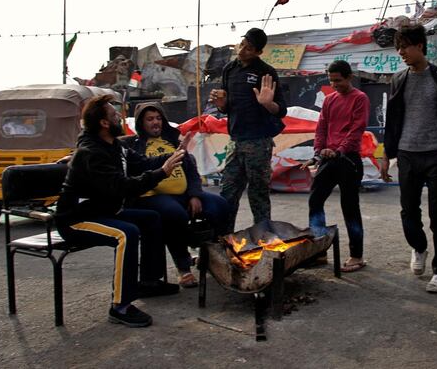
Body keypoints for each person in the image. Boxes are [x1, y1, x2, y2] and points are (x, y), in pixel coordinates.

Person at [55, 95, 182, 328]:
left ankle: (149, 282)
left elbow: (142, 163)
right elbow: (121, 187)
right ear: (104, 123)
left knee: (152, 219)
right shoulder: (91, 152)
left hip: (104, 212)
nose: (120, 118)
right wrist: (162, 172)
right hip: (78, 219)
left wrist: (177, 154)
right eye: (115, 115)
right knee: (126, 233)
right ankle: (120, 306)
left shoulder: (116, 146)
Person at [380, 23, 437, 293]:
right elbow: (393, 122)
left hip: (435, 154)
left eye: (404, 47)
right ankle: (419, 247)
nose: (401, 53)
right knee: (408, 213)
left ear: (419, 46)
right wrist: (387, 155)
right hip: (407, 155)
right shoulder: (398, 79)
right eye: (398, 48)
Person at [122, 102, 230, 288]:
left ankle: (213, 256)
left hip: (185, 194)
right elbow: (111, 151)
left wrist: (194, 194)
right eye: (150, 119)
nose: (155, 122)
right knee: (174, 214)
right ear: (141, 123)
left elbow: (192, 173)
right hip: (152, 196)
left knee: (220, 205)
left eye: (158, 118)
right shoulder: (133, 145)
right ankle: (184, 266)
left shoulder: (173, 141)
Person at [209, 28, 288, 232]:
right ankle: (224, 240)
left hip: (259, 141)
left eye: (249, 48)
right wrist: (221, 103)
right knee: (228, 193)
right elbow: (226, 106)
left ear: (258, 52)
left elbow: (281, 110)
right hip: (235, 139)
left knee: (258, 194)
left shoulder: (266, 72)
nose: (242, 49)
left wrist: (267, 104)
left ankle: (263, 239)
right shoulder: (229, 69)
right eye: (242, 43)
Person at [304, 60, 370, 273]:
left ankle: (356, 255)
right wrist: (318, 152)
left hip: (348, 160)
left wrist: (339, 150)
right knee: (315, 200)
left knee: (350, 207)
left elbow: (356, 130)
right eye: (331, 81)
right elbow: (321, 127)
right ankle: (319, 250)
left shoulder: (360, 98)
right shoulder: (329, 100)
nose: (335, 85)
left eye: (338, 80)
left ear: (349, 77)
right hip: (329, 159)